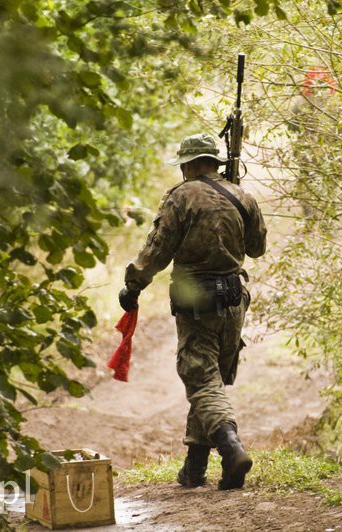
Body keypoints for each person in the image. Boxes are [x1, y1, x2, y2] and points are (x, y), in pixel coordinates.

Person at [118, 133, 267, 490]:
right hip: (234, 302)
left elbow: (157, 250)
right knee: (210, 382)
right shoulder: (242, 196)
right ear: (214, 162)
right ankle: (195, 468)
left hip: (198, 301)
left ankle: (232, 450)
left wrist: (133, 286)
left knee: (201, 381)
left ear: (188, 164)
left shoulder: (181, 197)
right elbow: (257, 247)